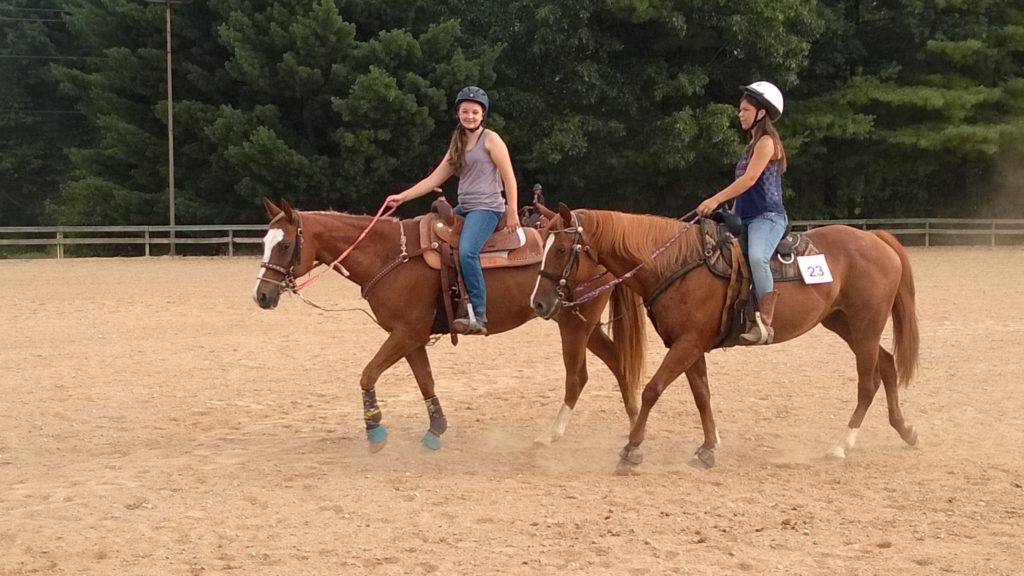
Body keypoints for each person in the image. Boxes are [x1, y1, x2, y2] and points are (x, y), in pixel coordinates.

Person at [385, 86, 520, 336]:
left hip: (487, 208)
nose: (470, 116)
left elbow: (509, 177)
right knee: (426, 228)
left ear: (483, 115)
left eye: (475, 112)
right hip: (465, 207)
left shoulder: (491, 139)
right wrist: (402, 197)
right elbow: (434, 178)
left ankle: (478, 313)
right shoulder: (457, 142)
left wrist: (511, 210)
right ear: (458, 113)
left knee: (468, 251)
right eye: (465, 111)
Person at [696, 81, 788, 345]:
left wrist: (715, 200)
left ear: (761, 113)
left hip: (767, 218)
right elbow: (747, 190)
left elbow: (748, 181)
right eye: (741, 110)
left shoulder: (767, 143)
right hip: (747, 218)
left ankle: (766, 324)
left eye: (745, 109)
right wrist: (731, 213)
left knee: (758, 257)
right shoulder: (749, 148)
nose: (740, 114)